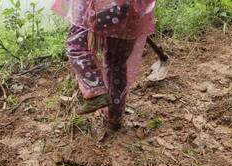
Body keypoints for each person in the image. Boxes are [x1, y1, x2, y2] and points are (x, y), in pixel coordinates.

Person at [52, 0, 156, 130]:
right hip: (134, 10)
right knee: (117, 63)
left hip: (101, 6)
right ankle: (115, 117)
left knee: (76, 46)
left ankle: (95, 89)